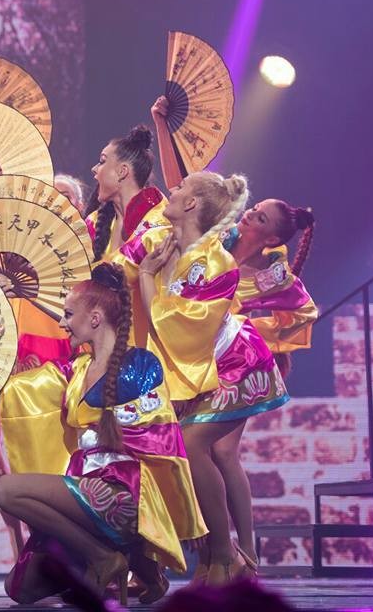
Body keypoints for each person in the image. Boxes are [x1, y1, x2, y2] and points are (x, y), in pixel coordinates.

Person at [0, 263, 205, 606]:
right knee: (20, 589)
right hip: (86, 490)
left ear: (94, 318)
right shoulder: (74, 370)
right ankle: (131, 563)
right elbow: (22, 388)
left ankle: (105, 557)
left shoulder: (140, 366)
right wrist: (7, 307)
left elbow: (162, 438)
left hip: (124, 494)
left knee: (5, 489)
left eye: (68, 314)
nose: (62, 323)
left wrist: (182, 509)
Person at [116, 167, 287, 585]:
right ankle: (214, 560)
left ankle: (231, 556)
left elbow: (176, 326)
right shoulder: (163, 240)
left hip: (233, 366)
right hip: (198, 367)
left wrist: (147, 276)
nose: (170, 191)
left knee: (196, 447)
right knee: (188, 450)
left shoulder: (216, 262)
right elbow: (118, 268)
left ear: (191, 203)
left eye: (178, 188)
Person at [87, 126, 168, 348]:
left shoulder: (159, 226)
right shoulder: (95, 222)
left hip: (145, 350)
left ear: (122, 171)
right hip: (100, 346)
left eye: (102, 162)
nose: (94, 169)